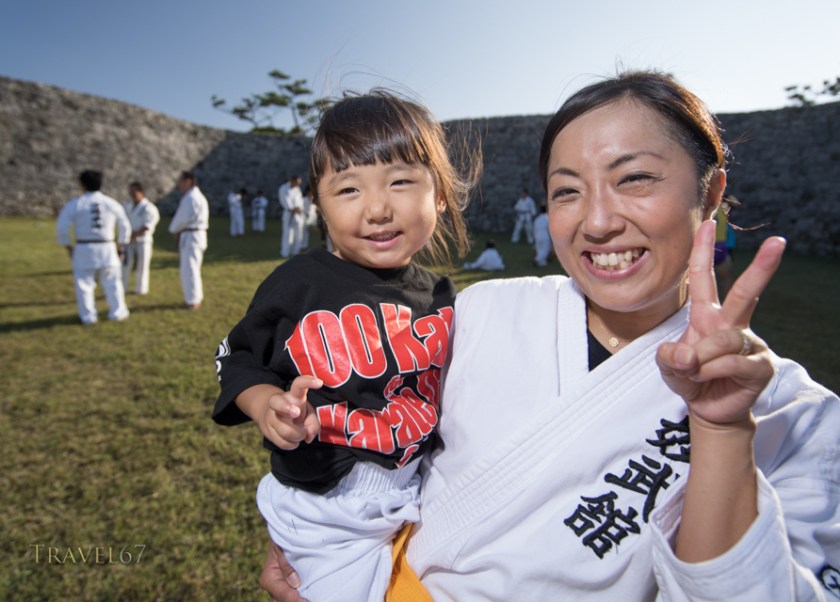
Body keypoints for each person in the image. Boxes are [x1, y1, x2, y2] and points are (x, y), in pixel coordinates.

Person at [261, 71, 840, 601]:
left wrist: (722, 430)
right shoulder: (486, 311)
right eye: (567, 191)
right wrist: (309, 531)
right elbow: (375, 422)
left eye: (634, 178)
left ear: (710, 192)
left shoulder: (798, 417)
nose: (597, 221)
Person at [213, 91, 476, 602]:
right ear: (319, 204)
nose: (378, 208)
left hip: (414, 493)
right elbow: (239, 356)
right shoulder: (299, 284)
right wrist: (266, 403)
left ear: (440, 194)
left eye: (401, 181)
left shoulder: (444, 297)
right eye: (349, 189)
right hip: (325, 508)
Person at [56, 169, 131, 325]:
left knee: (84, 284)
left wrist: (68, 246)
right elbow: (124, 225)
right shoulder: (110, 203)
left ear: (82, 185)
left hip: (84, 248)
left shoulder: (76, 204)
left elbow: (62, 227)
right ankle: (118, 312)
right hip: (107, 247)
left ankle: (88, 316)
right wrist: (121, 245)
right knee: (112, 282)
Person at [169, 170, 209, 310]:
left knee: (189, 270)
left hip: (192, 237)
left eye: (180, 181)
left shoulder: (190, 198)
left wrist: (173, 230)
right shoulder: (197, 197)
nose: (178, 184)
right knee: (192, 269)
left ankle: (192, 301)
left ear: (188, 181)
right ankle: (195, 297)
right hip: (195, 236)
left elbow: (180, 219)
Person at [122, 181, 160, 295]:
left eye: (135, 191)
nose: (132, 194)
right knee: (125, 265)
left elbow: (148, 225)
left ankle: (141, 289)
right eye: (131, 191)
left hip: (143, 240)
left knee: (142, 265)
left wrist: (135, 235)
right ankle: (123, 287)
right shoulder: (126, 206)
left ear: (141, 192)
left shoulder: (149, 208)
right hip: (128, 240)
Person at [278, 175, 304, 257]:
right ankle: (285, 252)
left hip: (298, 214)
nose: (297, 185)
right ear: (292, 181)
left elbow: (300, 200)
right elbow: (284, 200)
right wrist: (292, 208)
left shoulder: (297, 189)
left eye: (299, 183)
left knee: (298, 234)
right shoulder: (284, 188)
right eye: (296, 183)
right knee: (288, 234)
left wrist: (299, 208)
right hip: (288, 213)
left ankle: (295, 251)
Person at [299, 186, 318, 250]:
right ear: (307, 193)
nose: (310, 195)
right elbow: (301, 210)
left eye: (312, 193)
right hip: (302, 217)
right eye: (309, 193)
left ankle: (305, 245)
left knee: (306, 232)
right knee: (301, 232)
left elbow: (314, 213)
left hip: (311, 218)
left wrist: (314, 224)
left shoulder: (314, 201)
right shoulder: (303, 200)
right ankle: (300, 245)